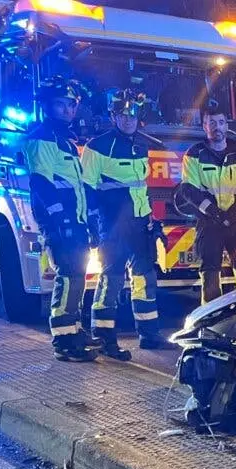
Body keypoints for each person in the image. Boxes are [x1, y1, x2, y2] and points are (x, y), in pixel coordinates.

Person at [80, 89, 164, 361]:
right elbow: (87, 192)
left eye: (133, 115)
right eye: (122, 115)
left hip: (140, 223)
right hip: (112, 226)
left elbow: (141, 188)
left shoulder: (141, 146)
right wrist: (96, 228)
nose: (128, 120)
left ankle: (149, 334)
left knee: (144, 278)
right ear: (113, 116)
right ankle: (104, 338)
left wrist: (151, 218)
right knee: (111, 281)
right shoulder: (97, 146)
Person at [25, 76, 99, 362]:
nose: (68, 111)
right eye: (60, 105)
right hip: (60, 223)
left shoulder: (65, 140)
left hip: (73, 220)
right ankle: (64, 340)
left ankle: (74, 329)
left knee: (77, 276)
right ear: (46, 106)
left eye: (71, 105)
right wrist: (61, 221)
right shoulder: (42, 137)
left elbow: (75, 187)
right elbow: (40, 183)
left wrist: (86, 220)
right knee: (68, 277)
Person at [174, 100, 236, 303]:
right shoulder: (194, 155)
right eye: (211, 123)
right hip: (209, 223)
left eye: (221, 122)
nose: (217, 127)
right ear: (204, 127)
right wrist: (214, 213)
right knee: (210, 274)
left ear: (227, 126)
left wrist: (233, 213)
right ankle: (213, 323)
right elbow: (189, 190)